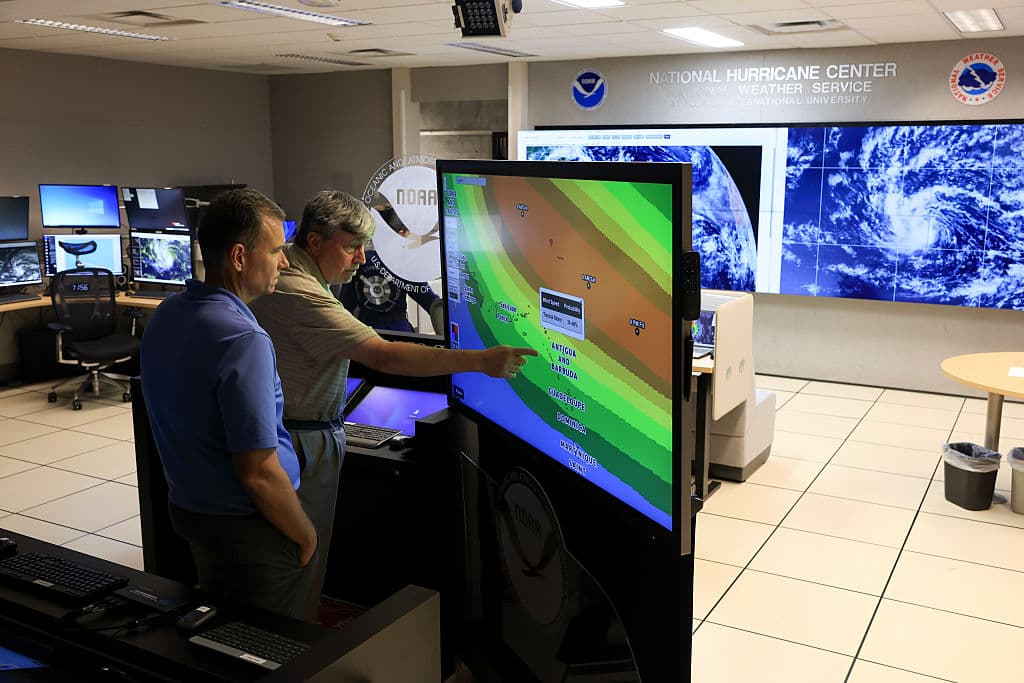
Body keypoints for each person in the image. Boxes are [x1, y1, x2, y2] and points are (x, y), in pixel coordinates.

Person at [249, 189, 536, 618]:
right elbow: (382, 355)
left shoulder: (291, 274)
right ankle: (294, 652)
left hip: (294, 433)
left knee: (298, 557)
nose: (361, 259)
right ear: (314, 242)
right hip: (302, 443)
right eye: (351, 246)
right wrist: (480, 360)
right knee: (300, 559)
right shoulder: (303, 295)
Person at [140, 189, 318, 621]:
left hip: (194, 515)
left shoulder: (167, 314)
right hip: (249, 531)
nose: (285, 262)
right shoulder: (243, 340)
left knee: (222, 634)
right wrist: (305, 533)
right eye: (276, 250)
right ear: (239, 257)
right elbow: (258, 472)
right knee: (266, 646)